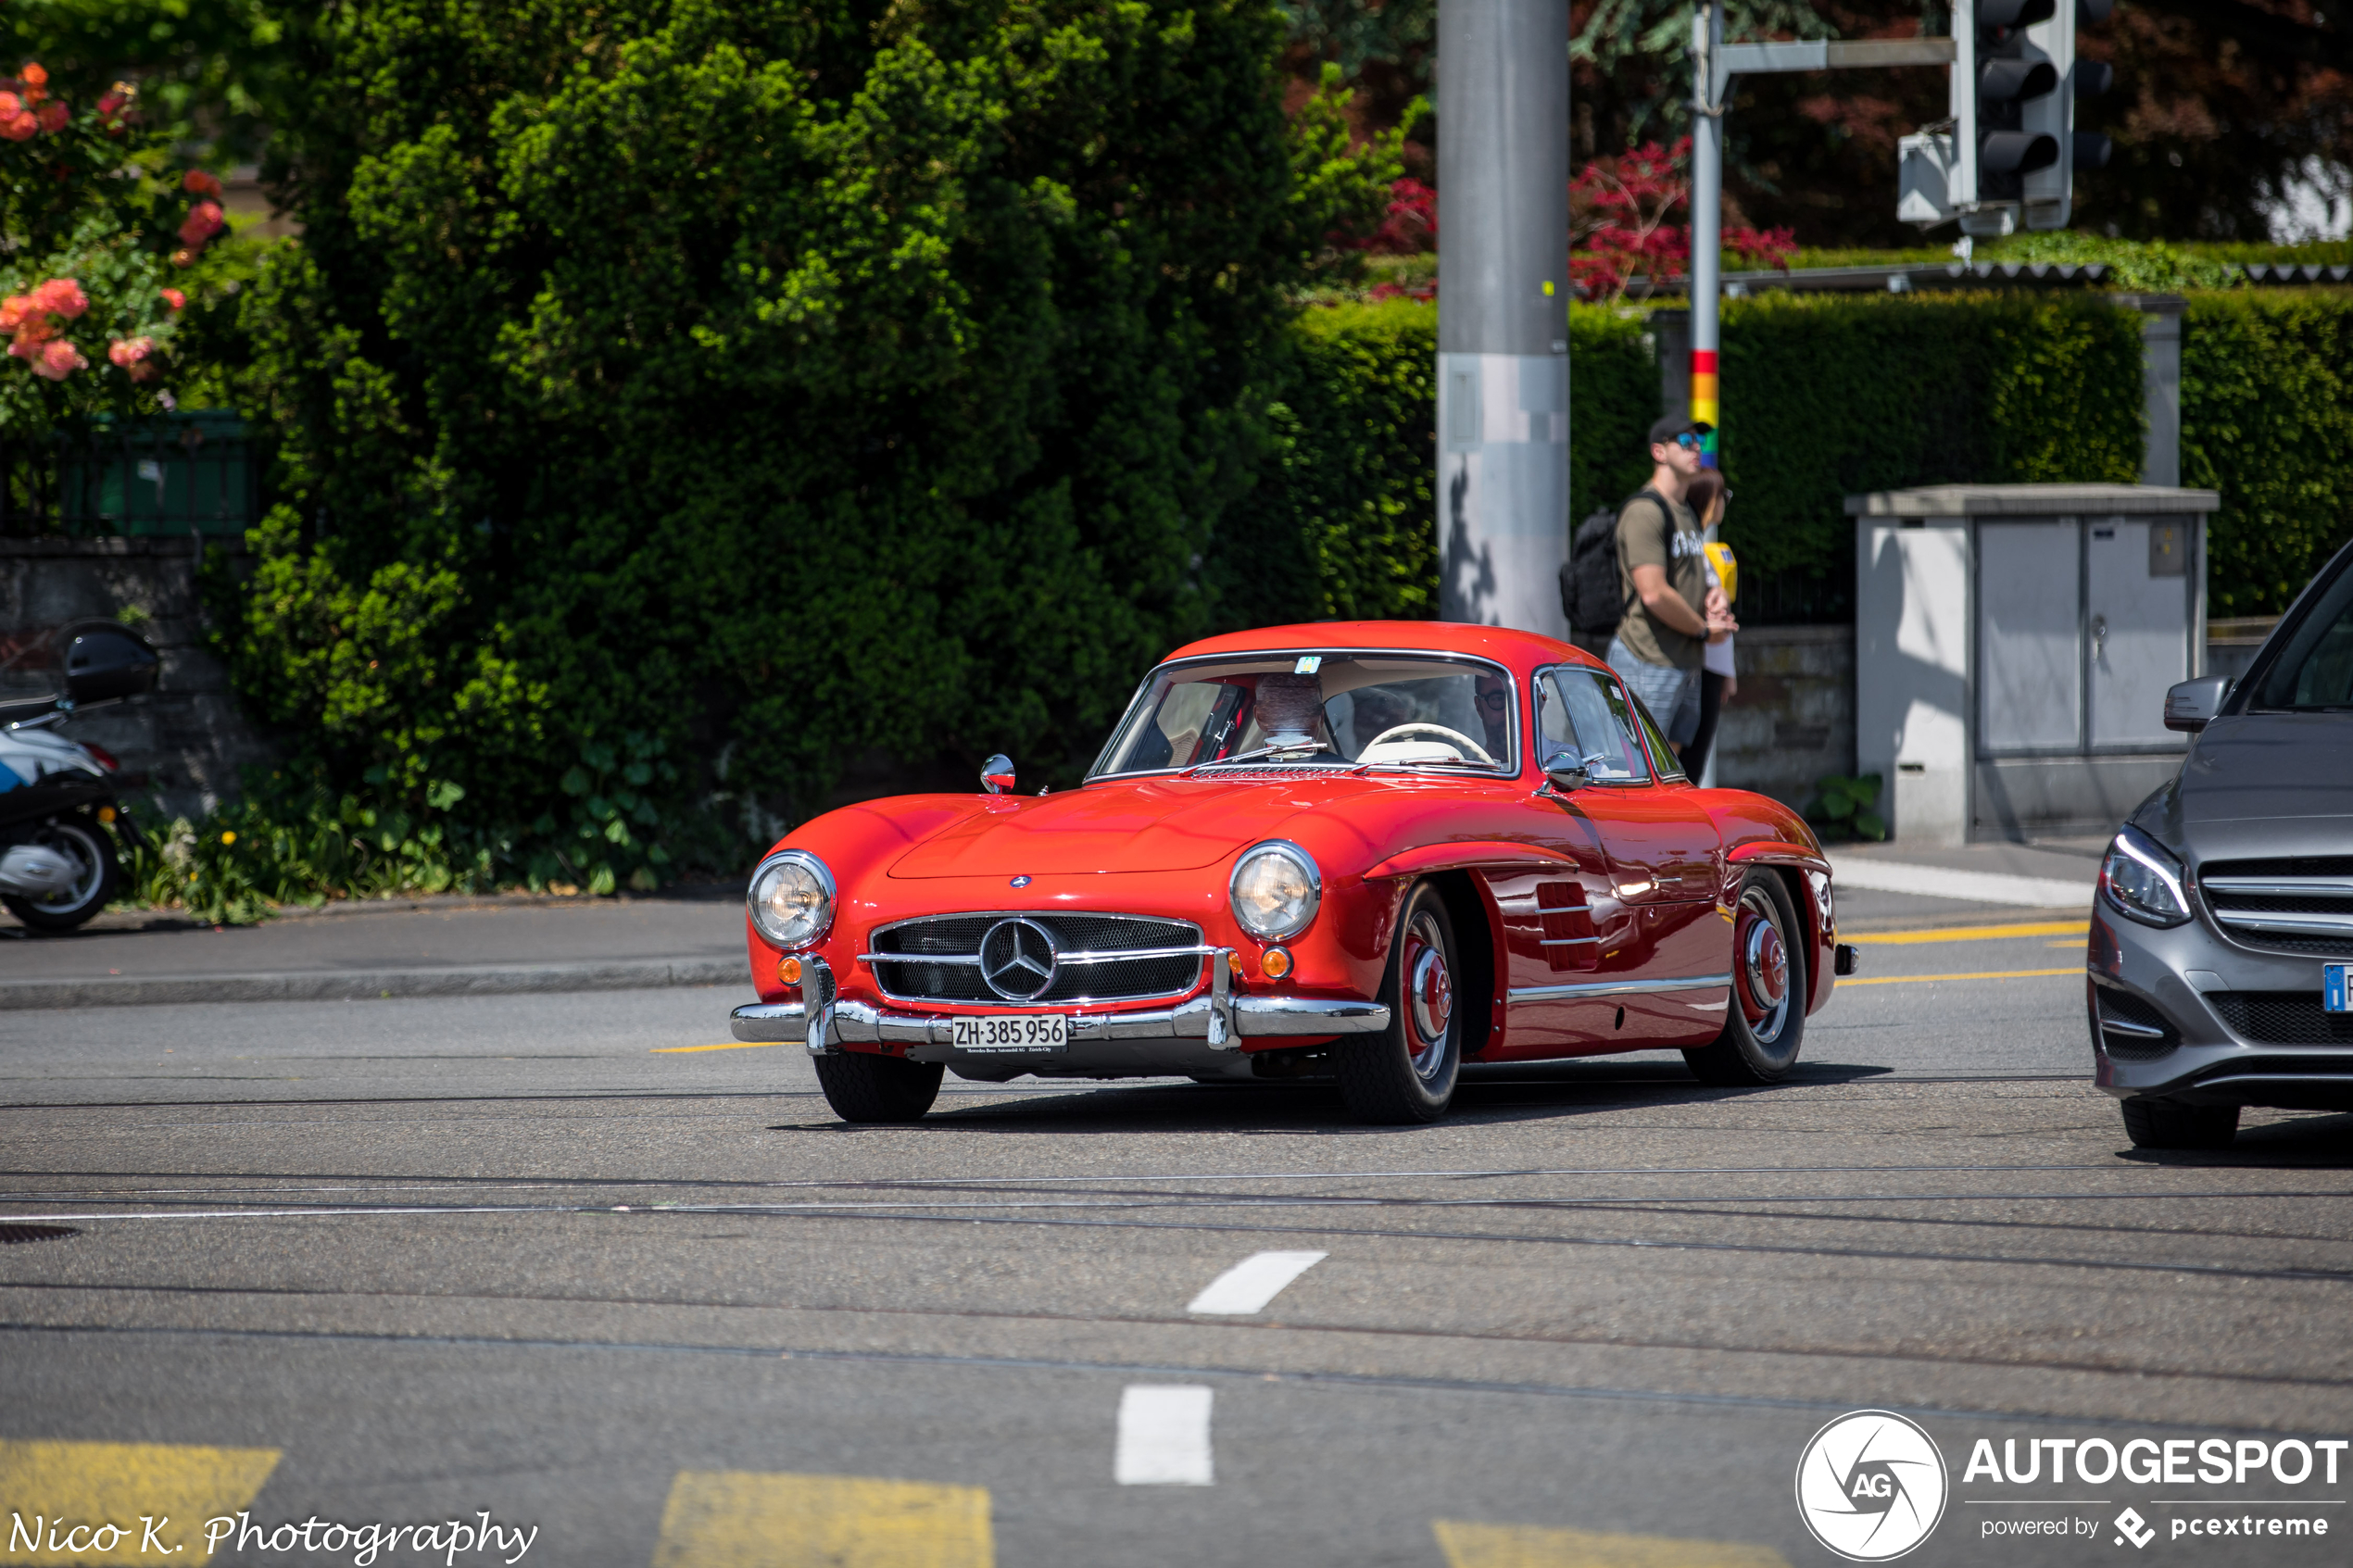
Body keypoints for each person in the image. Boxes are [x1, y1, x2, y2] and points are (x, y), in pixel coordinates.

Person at [1606, 414, 1737, 758]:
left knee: (1669, 772)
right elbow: (1653, 593)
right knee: (1636, 769)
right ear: (1658, 452)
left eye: (1699, 443)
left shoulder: (1686, 512)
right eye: (1685, 442)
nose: (1696, 449)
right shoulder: (1645, 511)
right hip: (1647, 660)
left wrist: (1715, 596)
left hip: (1684, 663)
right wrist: (1704, 631)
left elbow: (1694, 576)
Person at [1680, 470, 1737, 780]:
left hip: (1711, 669)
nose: (1725, 502)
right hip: (1701, 668)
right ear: (1707, 500)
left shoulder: (1699, 549)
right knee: (1691, 761)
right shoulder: (1692, 553)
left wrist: (1728, 676)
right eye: (1722, 496)